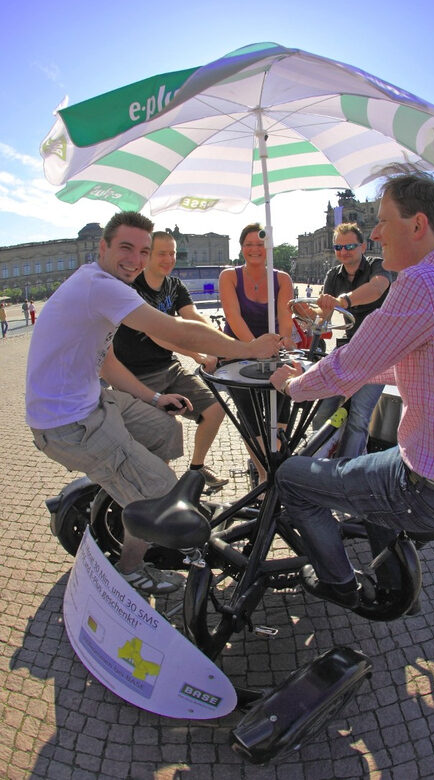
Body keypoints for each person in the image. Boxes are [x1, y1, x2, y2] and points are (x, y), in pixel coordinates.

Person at [270, 173, 434, 609]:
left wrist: (291, 385)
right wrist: (358, 373)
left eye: (383, 221)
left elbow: (346, 366)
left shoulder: (421, 282)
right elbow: (430, 363)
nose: (376, 234)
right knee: (369, 464)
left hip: (427, 489)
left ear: (418, 225)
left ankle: (339, 583)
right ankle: (393, 582)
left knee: (290, 477)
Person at [26, 211, 280, 595]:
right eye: (126, 248)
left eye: (143, 251)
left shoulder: (100, 284)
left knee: (166, 431)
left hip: (93, 402)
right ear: (103, 247)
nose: (136, 260)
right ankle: (131, 566)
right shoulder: (100, 286)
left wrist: (154, 397)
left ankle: (132, 494)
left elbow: (107, 364)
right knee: (160, 488)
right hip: (68, 423)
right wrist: (247, 349)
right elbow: (173, 329)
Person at [113, 231, 227, 489]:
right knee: (162, 432)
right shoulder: (132, 288)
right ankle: (162, 489)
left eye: (172, 253)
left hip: (169, 368)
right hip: (135, 376)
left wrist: (219, 341)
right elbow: (158, 334)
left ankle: (197, 470)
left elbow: (193, 317)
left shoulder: (174, 285)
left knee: (215, 409)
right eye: (162, 253)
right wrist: (198, 354)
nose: (169, 259)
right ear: (147, 255)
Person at [219, 223, 296, 484]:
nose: (254, 249)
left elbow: (285, 318)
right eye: (248, 244)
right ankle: (264, 474)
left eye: (260, 244)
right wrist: (254, 347)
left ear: (269, 247)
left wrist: (281, 341)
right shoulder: (229, 276)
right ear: (241, 248)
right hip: (238, 352)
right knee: (249, 415)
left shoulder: (282, 278)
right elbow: (233, 317)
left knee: (282, 406)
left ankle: (276, 461)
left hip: (272, 351)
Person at [310, 222, 393, 459]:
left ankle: (349, 466)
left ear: (363, 247)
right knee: (322, 411)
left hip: (378, 353)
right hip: (348, 349)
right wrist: (307, 313)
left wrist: (343, 300)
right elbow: (323, 316)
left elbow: (376, 289)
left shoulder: (378, 265)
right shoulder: (333, 275)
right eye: (338, 247)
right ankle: (319, 459)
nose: (343, 251)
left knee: (359, 415)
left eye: (349, 246)